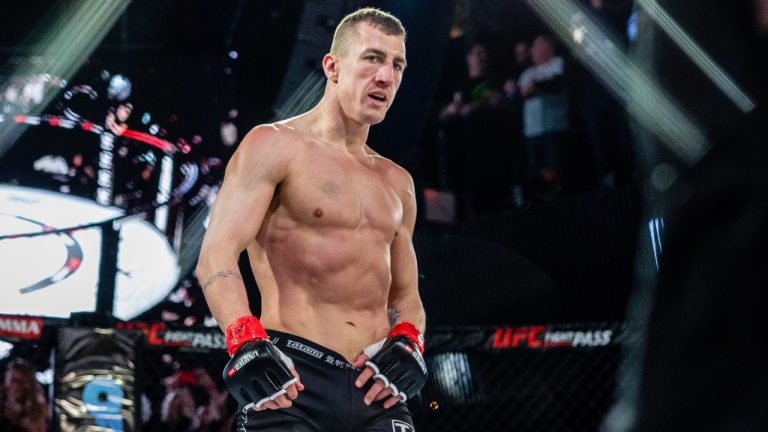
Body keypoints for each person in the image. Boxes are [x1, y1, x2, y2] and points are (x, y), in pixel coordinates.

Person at [196, 7, 427, 432]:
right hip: (292, 381)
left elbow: (406, 294)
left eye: (397, 65)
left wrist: (410, 338)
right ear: (333, 66)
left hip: (376, 389)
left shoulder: (398, 182)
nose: (386, 76)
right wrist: (243, 338)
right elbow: (215, 256)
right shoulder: (276, 145)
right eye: (373, 58)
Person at [518, 34, 570, 202]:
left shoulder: (558, 64)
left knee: (555, 171)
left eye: (536, 46)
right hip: (532, 132)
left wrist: (536, 87)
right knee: (536, 173)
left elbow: (557, 83)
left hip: (554, 129)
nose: (532, 50)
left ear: (548, 48)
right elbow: (517, 96)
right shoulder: (527, 73)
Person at [0, 359, 48, 432]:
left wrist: (19, 412)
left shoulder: (37, 407)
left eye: (21, 382)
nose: (16, 386)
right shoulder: (2, 402)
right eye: (13, 381)